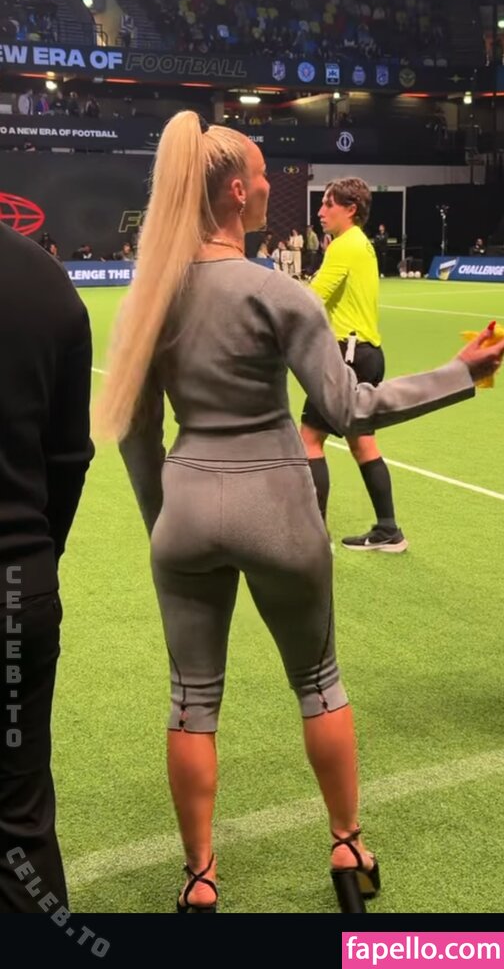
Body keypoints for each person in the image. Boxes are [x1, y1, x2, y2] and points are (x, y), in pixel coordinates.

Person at [98, 112, 503, 915]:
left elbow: (138, 436)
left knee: (191, 701)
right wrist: (460, 373)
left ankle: (200, 878)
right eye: (261, 175)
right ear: (236, 191)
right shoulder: (278, 292)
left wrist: (163, 520)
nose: (271, 188)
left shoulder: (151, 297)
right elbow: (350, 409)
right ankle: (348, 846)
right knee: (319, 683)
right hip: (277, 507)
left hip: (187, 510)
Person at [0, 221, 94, 911]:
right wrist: (34, 560)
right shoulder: (44, 279)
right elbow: (68, 458)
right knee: (19, 828)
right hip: (16, 589)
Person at [300, 178, 408, 552]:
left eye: (328, 204)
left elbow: (312, 299)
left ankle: (315, 538)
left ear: (350, 209)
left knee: (309, 439)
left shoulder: (344, 245)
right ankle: (389, 530)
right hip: (367, 354)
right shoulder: (359, 243)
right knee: (362, 442)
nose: (320, 211)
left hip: (347, 356)